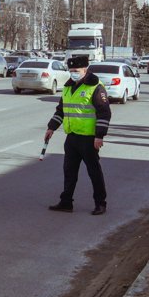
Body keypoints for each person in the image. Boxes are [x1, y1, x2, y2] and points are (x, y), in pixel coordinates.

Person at [45, 55, 111, 215]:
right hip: (72, 137)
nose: (73, 73)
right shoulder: (68, 87)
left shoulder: (95, 87)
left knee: (94, 172)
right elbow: (61, 110)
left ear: (85, 70)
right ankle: (66, 202)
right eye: (71, 70)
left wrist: (99, 136)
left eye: (76, 70)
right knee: (69, 171)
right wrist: (51, 127)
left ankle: (100, 203)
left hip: (89, 139)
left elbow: (104, 113)